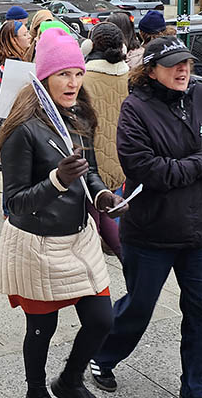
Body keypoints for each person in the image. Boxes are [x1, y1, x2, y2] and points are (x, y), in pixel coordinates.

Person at [90, 36, 202, 396]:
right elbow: (147, 169)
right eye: (173, 65)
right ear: (152, 71)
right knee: (139, 307)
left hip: (197, 229)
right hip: (150, 231)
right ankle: (102, 354)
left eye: (186, 62)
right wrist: (199, 165)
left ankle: (196, 386)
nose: (183, 70)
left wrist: (189, 166)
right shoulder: (135, 108)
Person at [0, 27, 124, 398]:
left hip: (79, 240)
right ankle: (35, 389)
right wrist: (57, 180)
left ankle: (69, 380)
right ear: (45, 76)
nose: (73, 82)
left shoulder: (79, 115)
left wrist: (101, 196)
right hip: (36, 245)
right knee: (41, 329)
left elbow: (90, 171)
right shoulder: (23, 128)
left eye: (78, 73)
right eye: (64, 74)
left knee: (102, 320)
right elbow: (15, 202)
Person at [80, 23, 131, 259]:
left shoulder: (83, 79)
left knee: (93, 216)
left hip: (92, 157)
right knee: (108, 208)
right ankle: (122, 255)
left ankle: (102, 257)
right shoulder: (130, 77)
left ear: (89, 46)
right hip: (119, 157)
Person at [0, 20, 32, 128]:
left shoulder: (7, 62)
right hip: (7, 127)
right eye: (25, 34)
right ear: (14, 40)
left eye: (28, 32)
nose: (30, 36)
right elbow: (0, 107)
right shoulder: (11, 67)